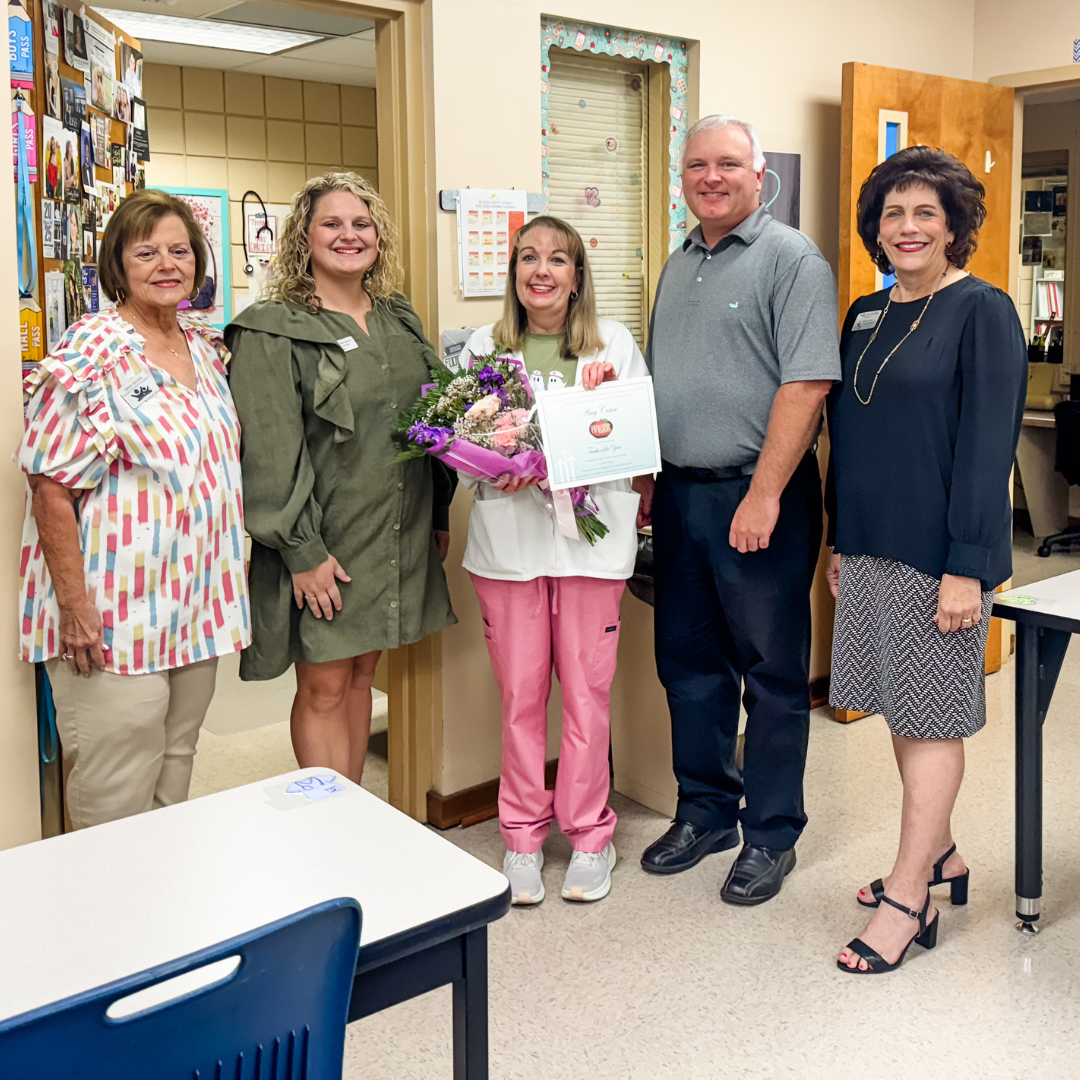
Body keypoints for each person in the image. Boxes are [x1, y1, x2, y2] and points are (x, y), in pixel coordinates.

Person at [827, 146, 1026, 973]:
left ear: (954, 228)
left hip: (937, 557)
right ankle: (941, 853)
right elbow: (850, 434)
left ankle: (910, 897)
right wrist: (840, 536)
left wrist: (967, 567)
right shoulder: (866, 314)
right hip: (870, 549)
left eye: (925, 214)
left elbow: (988, 448)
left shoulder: (983, 311)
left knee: (933, 717)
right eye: (893, 214)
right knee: (899, 711)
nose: (906, 228)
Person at [638, 114, 840, 904]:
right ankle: (707, 811)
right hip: (683, 495)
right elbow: (665, 378)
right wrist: (651, 472)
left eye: (728, 164)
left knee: (773, 674)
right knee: (688, 667)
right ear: (681, 178)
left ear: (760, 176)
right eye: (696, 166)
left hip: (763, 495)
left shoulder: (792, 259)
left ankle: (771, 834)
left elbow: (807, 383)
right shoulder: (678, 260)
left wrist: (763, 494)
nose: (711, 177)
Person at [16, 188, 249, 830]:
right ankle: (100, 925)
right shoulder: (94, 350)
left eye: (179, 250)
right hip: (114, 614)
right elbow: (50, 487)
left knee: (175, 770)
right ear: (117, 265)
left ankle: (162, 918)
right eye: (145, 252)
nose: (166, 264)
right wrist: (75, 607)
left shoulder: (203, 349)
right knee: (115, 793)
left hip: (193, 605)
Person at [226, 172, 456, 785]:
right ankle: (324, 832)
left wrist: (435, 517)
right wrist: (303, 552)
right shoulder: (271, 328)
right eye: (332, 223)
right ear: (304, 235)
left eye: (362, 223)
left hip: (393, 532)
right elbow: (269, 453)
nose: (349, 235)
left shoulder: (396, 318)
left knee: (362, 678)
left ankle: (350, 818)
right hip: (322, 540)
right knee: (325, 684)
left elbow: (434, 421)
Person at [461, 216, 646, 905]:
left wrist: (573, 456)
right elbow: (463, 441)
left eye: (558, 260)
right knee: (520, 698)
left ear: (576, 276)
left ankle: (591, 837)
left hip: (589, 547)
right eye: (529, 258)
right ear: (513, 272)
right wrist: (493, 468)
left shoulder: (613, 345)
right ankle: (522, 838)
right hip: (508, 548)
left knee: (588, 697)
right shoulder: (484, 346)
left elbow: (627, 442)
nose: (542, 270)